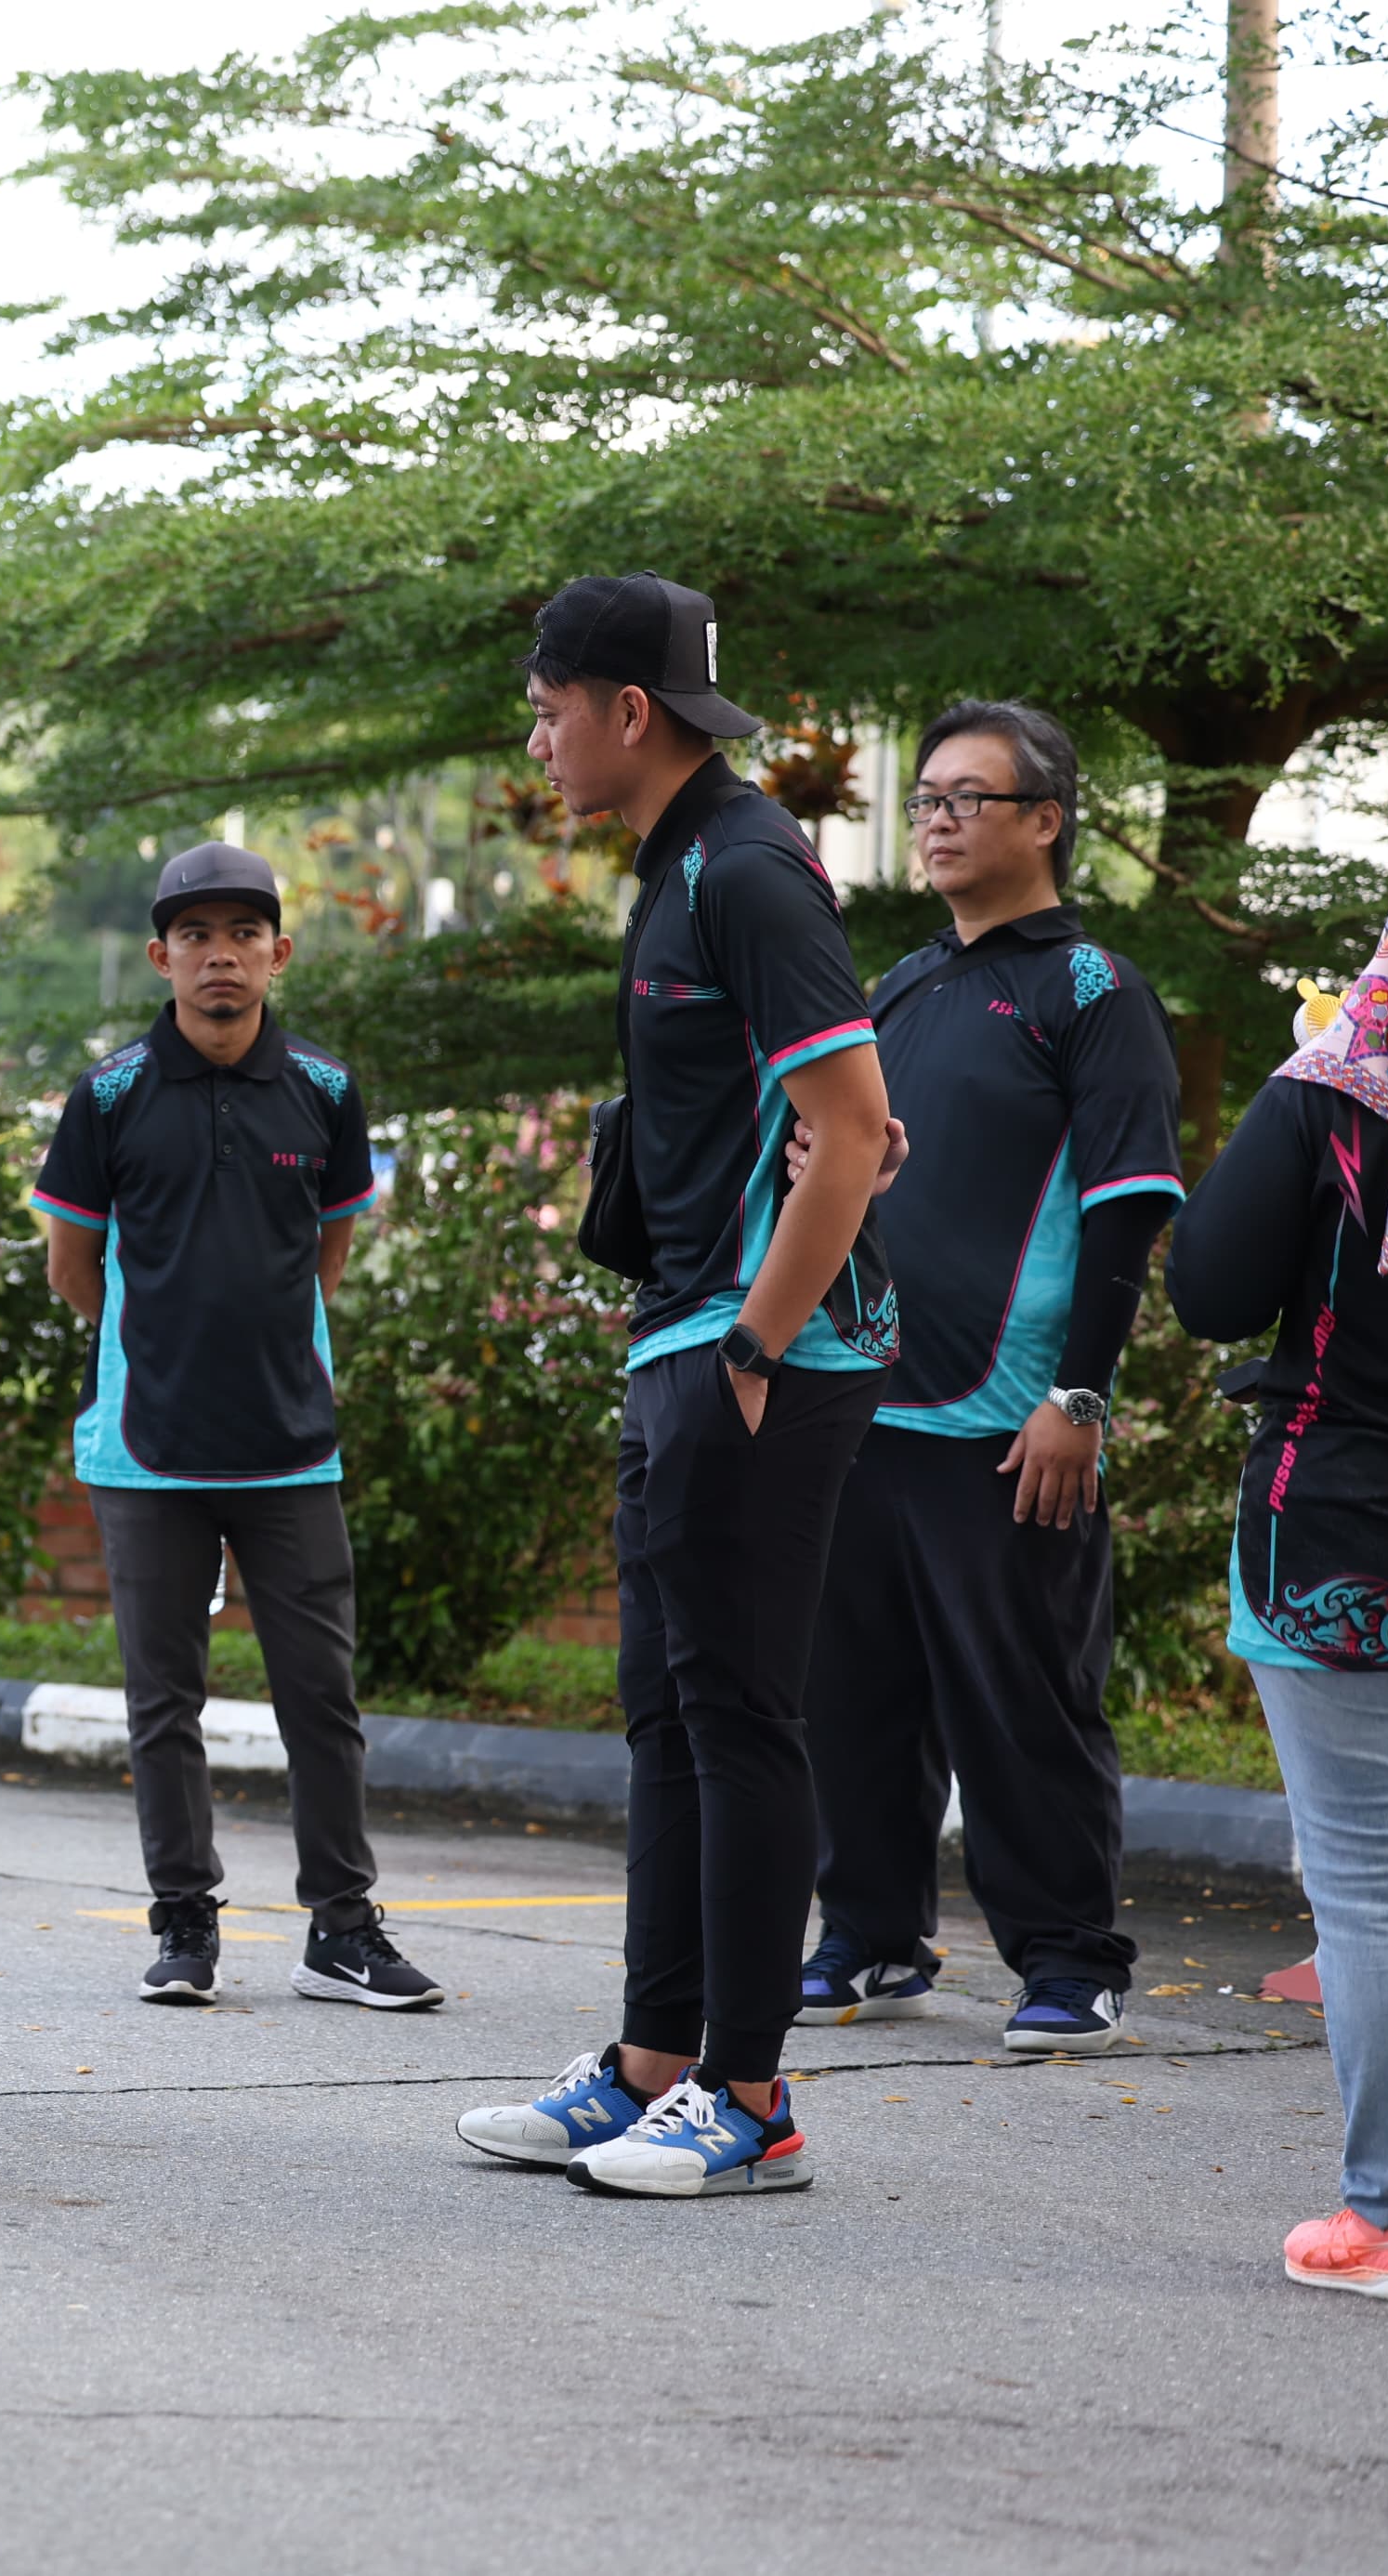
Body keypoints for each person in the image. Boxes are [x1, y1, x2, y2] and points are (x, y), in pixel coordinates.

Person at [456, 573, 898, 2199]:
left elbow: (853, 1130)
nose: (538, 740)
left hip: (760, 1351)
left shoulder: (749, 866)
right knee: (668, 1715)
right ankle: (655, 2062)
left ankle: (750, 2093)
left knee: (739, 1717)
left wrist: (754, 1347)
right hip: (687, 1336)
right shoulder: (686, 864)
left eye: (549, 710)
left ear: (628, 710)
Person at [793, 704, 1185, 2053]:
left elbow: (1128, 1207)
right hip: (862, 1399)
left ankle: (1070, 1961)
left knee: (1024, 1698)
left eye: (970, 796)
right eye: (927, 798)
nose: (940, 818)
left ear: (1045, 819)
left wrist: (1079, 1397)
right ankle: (868, 1933)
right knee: (852, 1696)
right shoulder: (898, 988)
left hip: (1009, 1420)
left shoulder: (1092, 989)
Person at [30, 843, 443, 2012]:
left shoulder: (323, 1088)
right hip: (144, 1448)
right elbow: (72, 1265)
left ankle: (341, 1929)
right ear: (159, 956)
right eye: (196, 935)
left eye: (243, 933)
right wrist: (162, 1342)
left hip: (289, 1445)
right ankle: (183, 1924)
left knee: (321, 1696)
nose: (221, 955)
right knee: (163, 1702)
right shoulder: (108, 1095)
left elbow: (326, 1252)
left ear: (278, 951)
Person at [1167, 834, 1388, 2303]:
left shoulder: (1350, 1085)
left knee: (1383, 1891)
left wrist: (1314, 1062)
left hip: (1350, 1540)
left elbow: (1209, 1288)